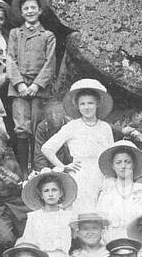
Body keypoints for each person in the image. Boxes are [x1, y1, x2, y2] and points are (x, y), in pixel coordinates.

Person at [41, 79, 117, 211]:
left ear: (97, 104)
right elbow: (47, 148)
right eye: (82, 104)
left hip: (103, 174)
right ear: (77, 106)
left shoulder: (105, 127)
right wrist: (63, 166)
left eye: (90, 103)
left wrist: (110, 178)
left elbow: (111, 156)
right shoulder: (72, 126)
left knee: (103, 212)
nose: (86, 107)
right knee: (83, 213)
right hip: (81, 175)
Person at [5, 0, 58, 173]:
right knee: (21, 127)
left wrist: (36, 85)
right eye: (25, 8)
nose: (29, 11)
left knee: (37, 127)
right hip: (18, 88)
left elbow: (50, 62)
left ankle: (38, 168)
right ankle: (23, 172)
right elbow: (10, 59)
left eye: (33, 7)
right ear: (21, 12)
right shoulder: (14, 34)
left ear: (40, 10)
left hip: (39, 88)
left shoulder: (47, 36)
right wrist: (19, 84)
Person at [95, 140, 142, 235]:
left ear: (133, 164)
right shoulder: (107, 191)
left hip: (136, 240)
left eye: (127, 162)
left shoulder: (141, 191)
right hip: (111, 240)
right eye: (118, 162)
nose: (123, 166)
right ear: (112, 166)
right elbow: (100, 222)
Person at [21, 169, 76, 257]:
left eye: (54, 190)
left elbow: (76, 241)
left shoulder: (68, 216)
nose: (50, 194)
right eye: (46, 191)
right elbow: (28, 243)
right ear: (41, 195)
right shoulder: (34, 217)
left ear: (61, 193)